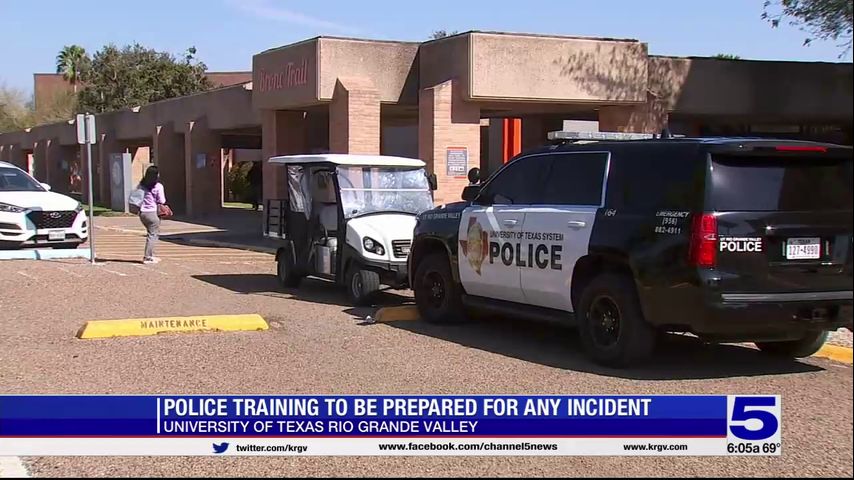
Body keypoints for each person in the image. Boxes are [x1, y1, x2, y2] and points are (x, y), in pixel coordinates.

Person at [138, 166, 166, 264]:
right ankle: (148, 257)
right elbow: (162, 200)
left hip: (142, 212)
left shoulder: (141, 185)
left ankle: (151, 255)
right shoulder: (158, 186)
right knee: (153, 235)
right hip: (152, 212)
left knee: (151, 233)